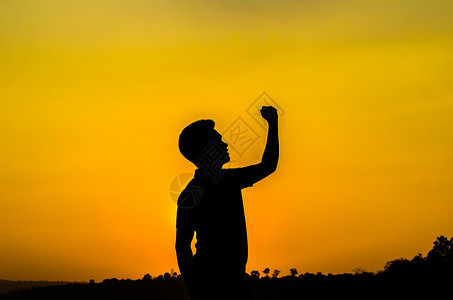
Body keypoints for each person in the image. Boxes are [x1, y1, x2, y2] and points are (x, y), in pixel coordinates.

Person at [175, 106, 279, 300]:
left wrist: (273, 125)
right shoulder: (191, 195)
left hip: (235, 284)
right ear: (205, 152)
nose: (225, 144)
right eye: (218, 142)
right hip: (211, 287)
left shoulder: (231, 180)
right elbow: (182, 246)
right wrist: (194, 290)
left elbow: (269, 165)